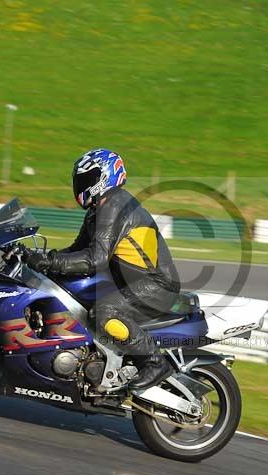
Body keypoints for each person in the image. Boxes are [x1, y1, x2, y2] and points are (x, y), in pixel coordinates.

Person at [26, 148, 181, 390]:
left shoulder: (117, 205)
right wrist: (43, 259)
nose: (81, 185)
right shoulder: (98, 210)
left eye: (88, 179)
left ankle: (154, 362)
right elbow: (78, 249)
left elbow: (95, 259)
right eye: (80, 180)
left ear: (105, 177)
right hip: (130, 281)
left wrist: (51, 263)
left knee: (104, 311)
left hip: (156, 285)